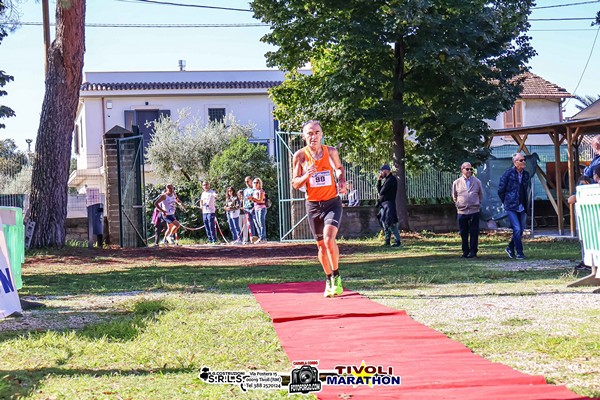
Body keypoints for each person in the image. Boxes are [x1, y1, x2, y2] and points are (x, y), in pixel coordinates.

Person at [292, 120, 347, 298]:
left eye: (316, 132)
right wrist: (307, 175)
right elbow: (295, 183)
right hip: (313, 205)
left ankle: (337, 277)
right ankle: (328, 277)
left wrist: (341, 180)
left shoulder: (330, 151)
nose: (313, 136)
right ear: (304, 136)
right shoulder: (300, 156)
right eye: (309, 133)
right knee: (321, 246)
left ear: (321, 134)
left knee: (329, 238)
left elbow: (339, 168)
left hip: (332, 202)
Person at [498, 153, 530, 260]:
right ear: (515, 162)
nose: (523, 162)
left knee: (520, 230)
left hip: (521, 205)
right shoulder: (508, 173)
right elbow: (501, 190)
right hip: (511, 205)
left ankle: (510, 247)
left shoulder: (526, 174)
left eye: (524, 160)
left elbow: (525, 189)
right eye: (521, 160)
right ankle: (520, 252)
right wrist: (506, 201)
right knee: (516, 228)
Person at [452, 162, 483, 258]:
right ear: (462, 170)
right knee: (463, 232)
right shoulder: (456, 182)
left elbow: (481, 195)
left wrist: (477, 203)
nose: (469, 171)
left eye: (471, 169)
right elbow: (454, 196)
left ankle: (473, 251)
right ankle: (465, 251)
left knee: (474, 232)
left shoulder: (477, 181)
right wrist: (458, 204)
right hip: (462, 211)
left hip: (474, 210)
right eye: (467, 169)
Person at [376, 164, 401, 247]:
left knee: (391, 222)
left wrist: (380, 182)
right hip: (384, 204)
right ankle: (387, 240)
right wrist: (379, 181)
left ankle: (398, 241)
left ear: (386, 171)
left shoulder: (391, 179)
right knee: (384, 222)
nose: (381, 173)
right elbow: (380, 191)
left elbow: (382, 192)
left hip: (389, 204)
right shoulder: (386, 180)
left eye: (382, 171)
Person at [248, 177, 268, 243]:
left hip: (261, 208)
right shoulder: (254, 191)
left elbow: (260, 200)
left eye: (257, 182)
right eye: (254, 182)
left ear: (260, 183)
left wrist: (253, 199)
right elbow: (255, 202)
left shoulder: (261, 191)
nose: (255, 184)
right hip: (256, 208)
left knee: (261, 223)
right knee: (257, 224)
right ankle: (260, 237)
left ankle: (263, 238)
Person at [242, 176, 257, 244]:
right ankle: (253, 238)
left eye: (247, 181)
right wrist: (243, 206)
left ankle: (261, 237)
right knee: (250, 224)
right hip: (247, 208)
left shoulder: (255, 189)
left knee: (257, 223)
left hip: (253, 208)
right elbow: (244, 199)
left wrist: (255, 206)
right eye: (245, 182)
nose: (246, 183)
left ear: (251, 181)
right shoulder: (245, 190)